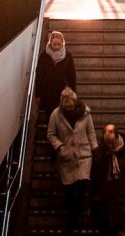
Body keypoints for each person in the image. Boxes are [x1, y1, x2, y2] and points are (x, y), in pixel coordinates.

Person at [47, 87, 97, 236]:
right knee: (69, 191)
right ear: (62, 103)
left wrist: (95, 149)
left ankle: (74, 217)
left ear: (75, 103)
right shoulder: (56, 115)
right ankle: (73, 216)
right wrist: (59, 146)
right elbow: (50, 134)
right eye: (66, 106)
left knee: (83, 183)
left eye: (70, 106)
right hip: (66, 156)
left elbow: (91, 132)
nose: (68, 109)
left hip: (83, 155)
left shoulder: (85, 113)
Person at [36, 31, 77, 117]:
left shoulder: (67, 55)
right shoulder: (44, 56)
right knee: (50, 117)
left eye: (59, 44)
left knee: (64, 116)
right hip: (47, 92)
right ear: (50, 43)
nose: (57, 46)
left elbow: (72, 75)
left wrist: (73, 92)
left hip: (63, 92)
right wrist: (37, 94)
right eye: (54, 44)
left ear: (63, 43)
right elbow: (39, 75)